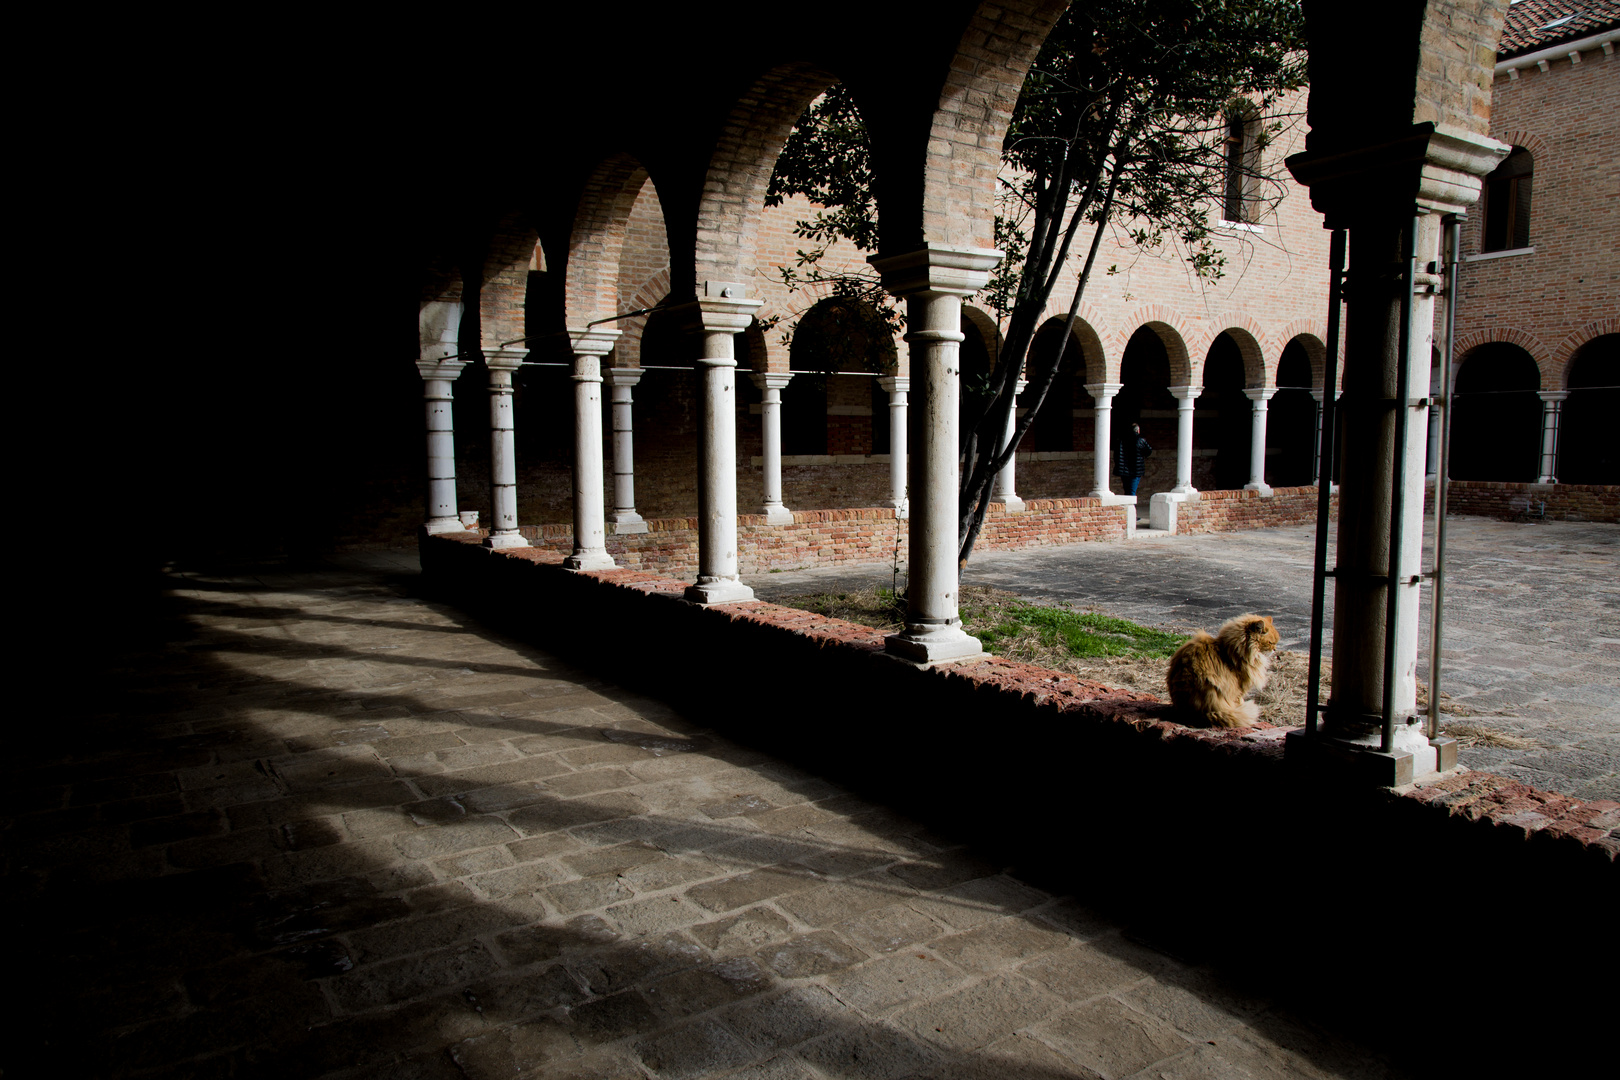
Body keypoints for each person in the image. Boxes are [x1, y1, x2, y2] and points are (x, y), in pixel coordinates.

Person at [1114, 422, 1152, 496]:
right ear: (1137, 430)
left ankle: (1128, 506)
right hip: (1136, 469)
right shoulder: (1140, 440)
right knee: (1132, 491)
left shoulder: (1121, 440)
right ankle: (1131, 507)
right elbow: (1148, 451)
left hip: (1124, 470)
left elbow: (1116, 455)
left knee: (1127, 490)